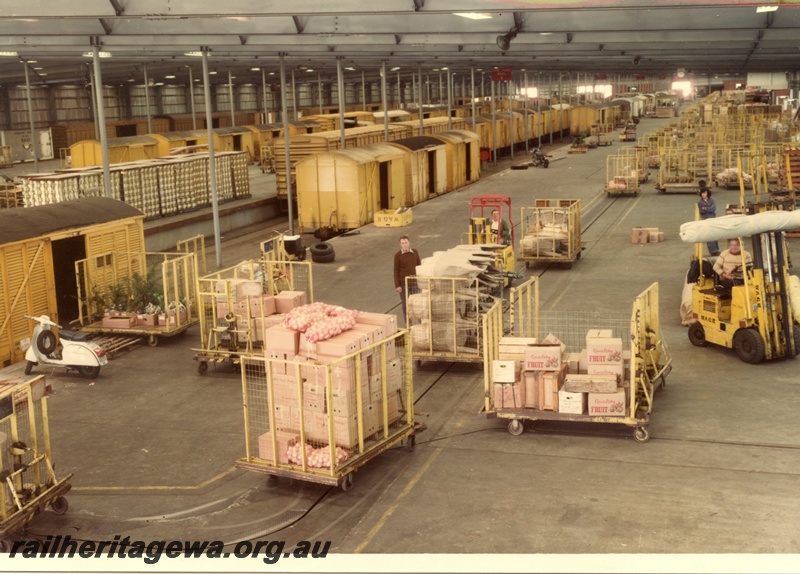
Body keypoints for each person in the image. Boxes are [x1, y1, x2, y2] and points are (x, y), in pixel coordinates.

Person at [394, 235, 421, 324]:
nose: (405, 245)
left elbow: (419, 266)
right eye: (403, 243)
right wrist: (397, 285)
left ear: (409, 243)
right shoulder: (397, 256)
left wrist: (420, 280)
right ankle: (408, 324)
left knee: (417, 303)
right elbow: (396, 270)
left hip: (414, 282)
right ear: (400, 245)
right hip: (403, 284)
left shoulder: (415, 252)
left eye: (406, 243)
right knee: (406, 304)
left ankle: (421, 322)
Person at [697, 181, 719, 256]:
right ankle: (713, 251)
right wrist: (708, 208)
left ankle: (716, 250)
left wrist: (705, 208)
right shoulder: (700, 202)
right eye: (702, 193)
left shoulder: (712, 200)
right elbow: (701, 211)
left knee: (714, 235)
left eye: (705, 193)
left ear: (708, 193)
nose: (704, 195)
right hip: (705, 220)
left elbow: (714, 209)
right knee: (709, 236)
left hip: (712, 219)